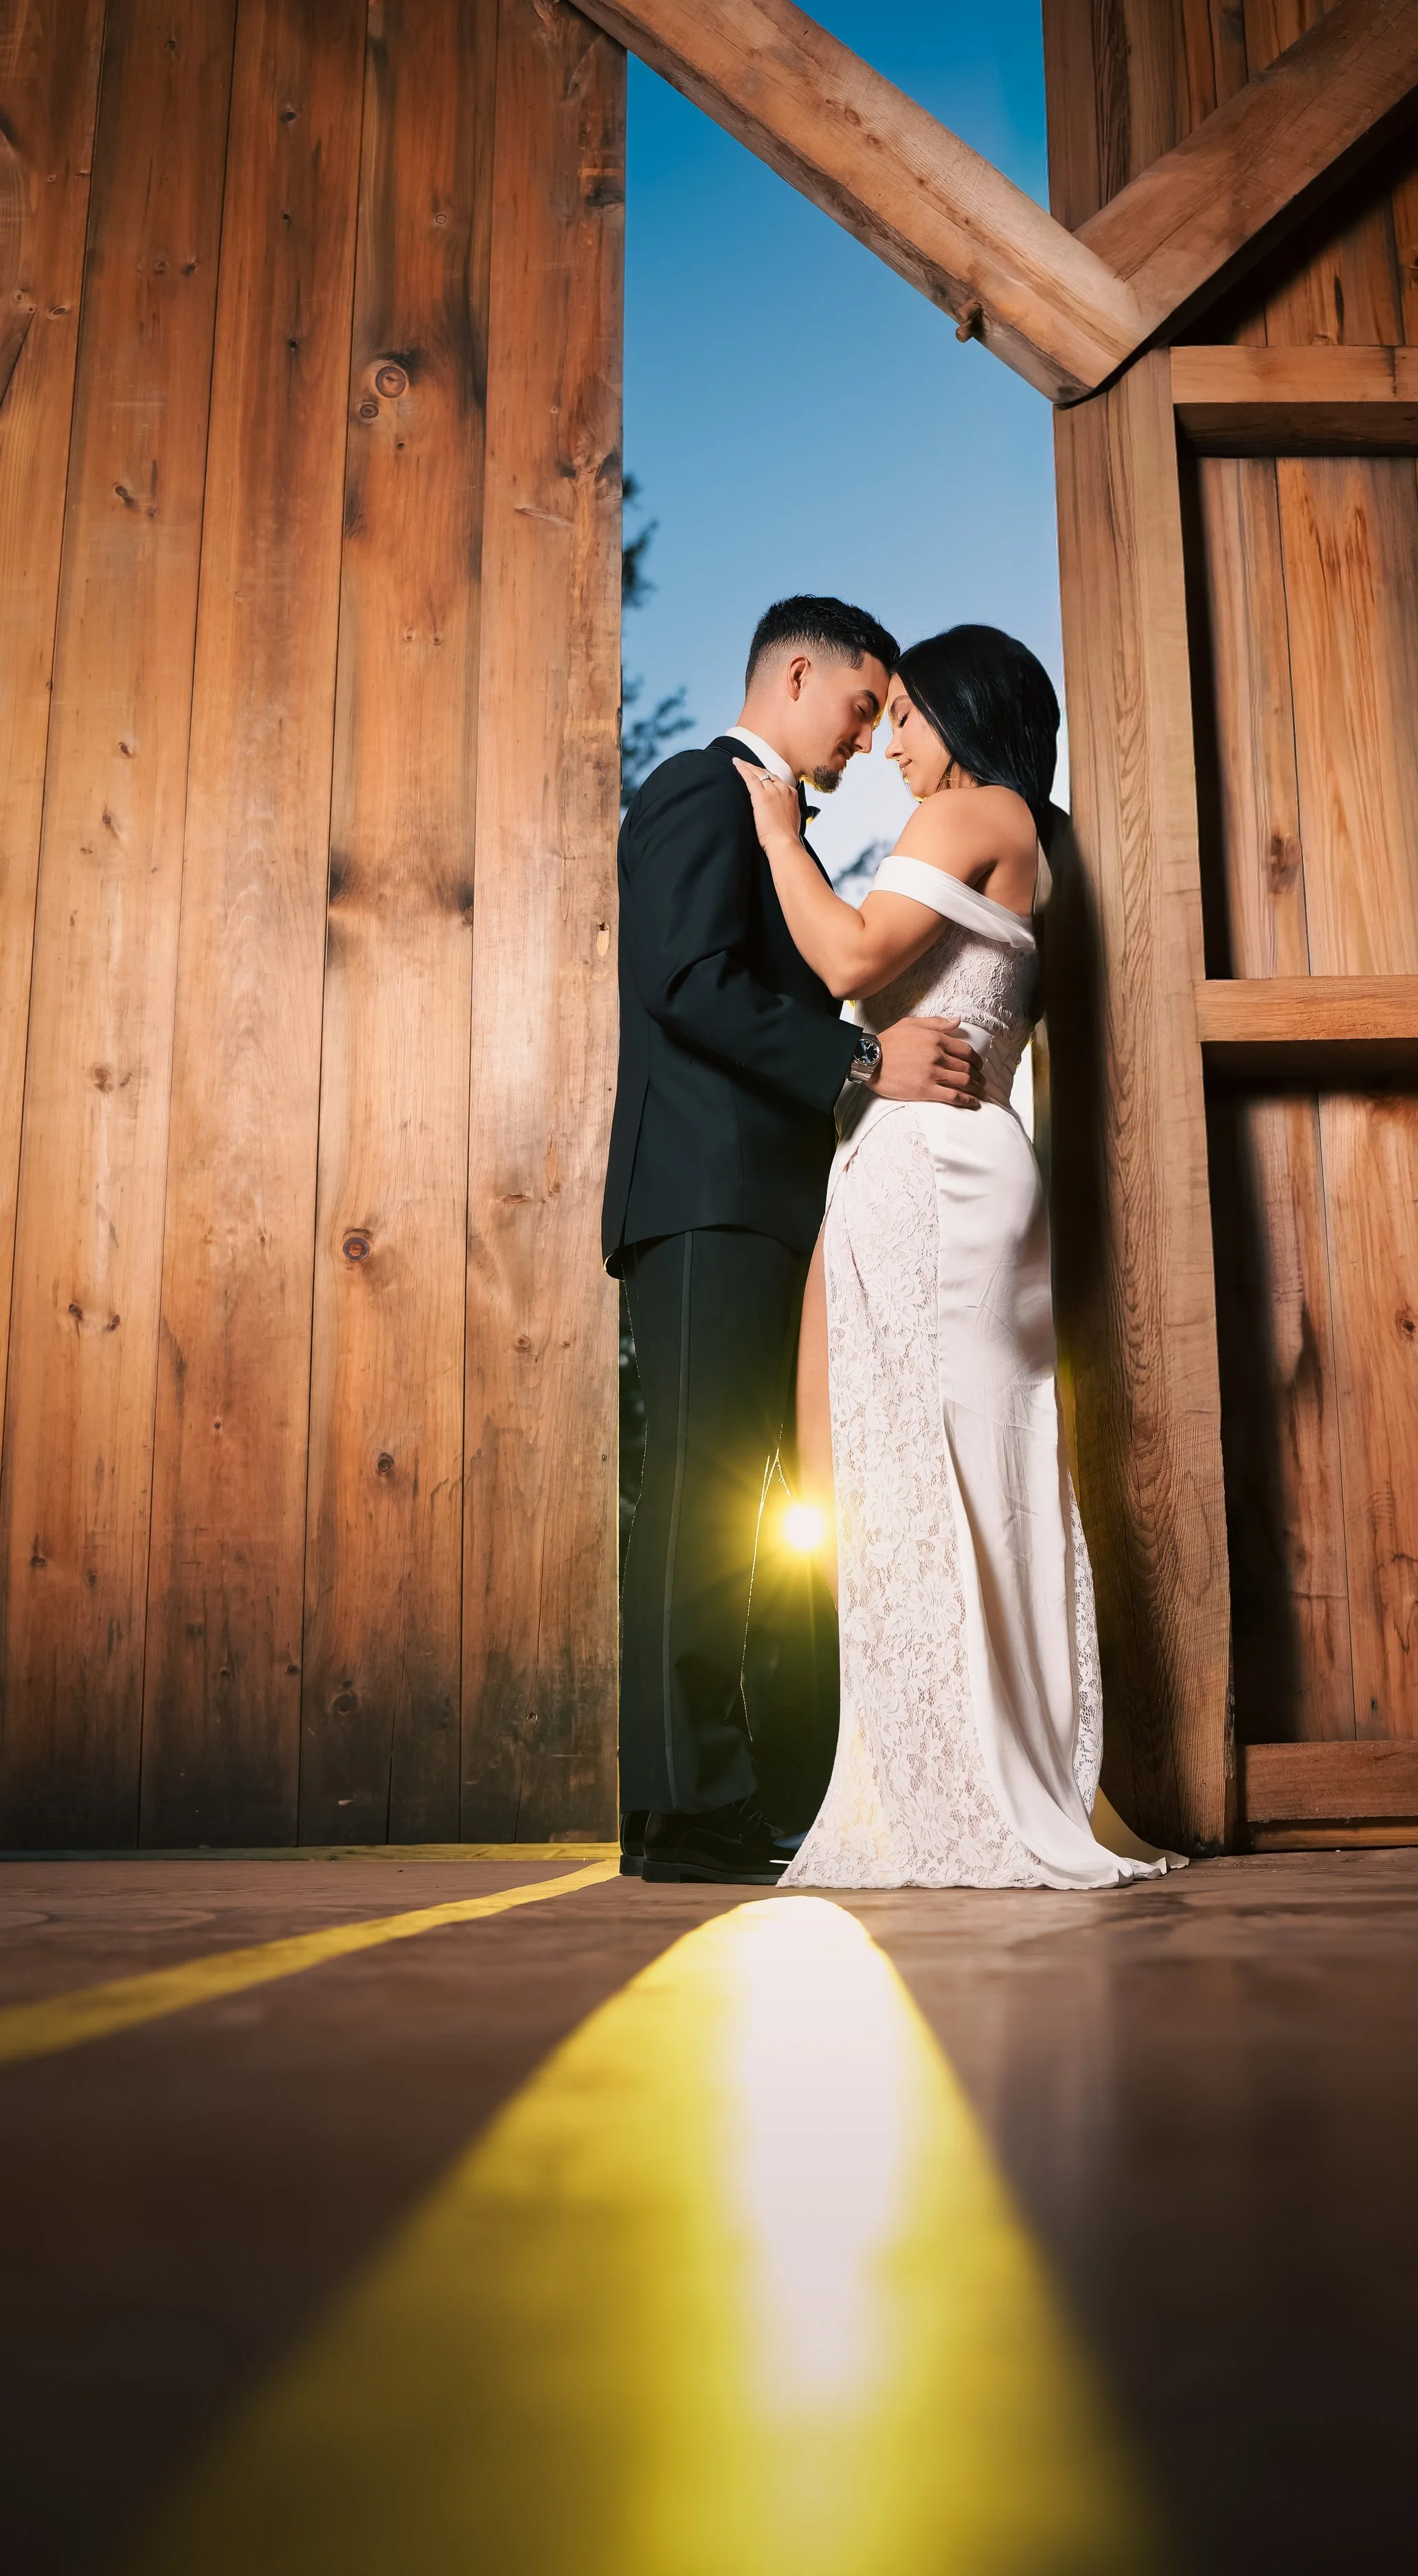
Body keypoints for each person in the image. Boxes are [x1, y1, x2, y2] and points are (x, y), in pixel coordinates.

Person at [733, 624, 1183, 1888]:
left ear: (966, 719)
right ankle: (975, 1764)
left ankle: (963, 1783)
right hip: (963, 1169)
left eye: (908, 716)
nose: (888, 743)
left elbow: (849, 956)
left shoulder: (975, 809)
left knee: (928, 1480)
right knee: (977, 1472)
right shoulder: (1042, 839)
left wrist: (780, 835)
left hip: (931, 1178)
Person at [603, 596, 987, 1886]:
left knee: (745, 1504)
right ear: (799, 673)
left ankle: (709, 1797)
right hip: (704, 1198)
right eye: (863, 707)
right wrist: (866, 1056)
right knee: (703, 1499)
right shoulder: (695, 792)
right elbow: (685, 982)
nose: (868, 734)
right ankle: (685, 1808)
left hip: (767, 1208)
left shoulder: (775, 826)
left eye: (886, 717)